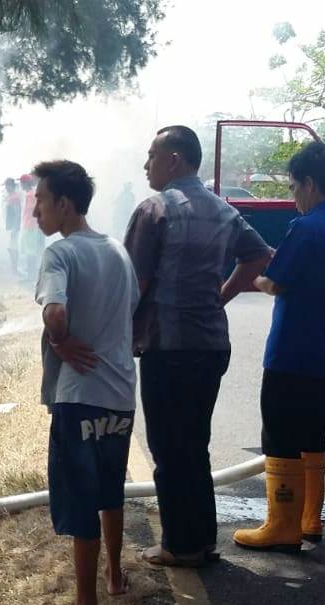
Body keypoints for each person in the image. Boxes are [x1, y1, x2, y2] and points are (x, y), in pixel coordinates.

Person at [125, 125, 273, 568]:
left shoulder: (153, 209)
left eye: (151, 154)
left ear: (174, 159)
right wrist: (220, 297)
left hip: (168, 347)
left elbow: (136, 284)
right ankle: (201, 540)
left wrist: (118, 334)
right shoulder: (222, 210)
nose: (146, 163)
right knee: (195, 442)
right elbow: (259, 256)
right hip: (210, 344)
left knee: (170, 448)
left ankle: (179, 545)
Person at [234, 141, 325, 552]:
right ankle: (310, 521)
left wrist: (254, 277)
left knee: (279, 437)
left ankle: (281, 525)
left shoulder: (306, 228)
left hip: (290, 354)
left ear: (309, 183)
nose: (293, 198)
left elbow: (276, 283)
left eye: (293, 188)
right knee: (313, 435)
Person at [31, 160, 139, 605]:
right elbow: (130, 307)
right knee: (110, 490)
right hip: (120, 392)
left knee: (79, 500)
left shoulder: (60, 254)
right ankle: (114, 575)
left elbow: (55, 313)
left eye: (41, 199)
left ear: (64, 205)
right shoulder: (116, 249)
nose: (35, 209)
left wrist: (60, 342)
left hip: (80, 395)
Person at [19, 173, 45, 279]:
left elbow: (33, 211)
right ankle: (31, 274)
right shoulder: (32, 193)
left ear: (25, 183)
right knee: (31, 250)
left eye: (21, 183)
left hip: (30, 225)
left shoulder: (30, 195)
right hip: (31, 225)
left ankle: (31, 275)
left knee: (30, 251)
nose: (21, 185)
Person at [3, 177, 23, 276]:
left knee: (13, 248)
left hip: (14, 227)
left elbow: (17, 213)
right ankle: (14, 268)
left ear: (11, 186)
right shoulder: (11, 197)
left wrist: (15, 227)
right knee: (11, 248)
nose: (6, 188)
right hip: (12, 226)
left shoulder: (14, 197)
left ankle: (14, 269)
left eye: (7, 186)